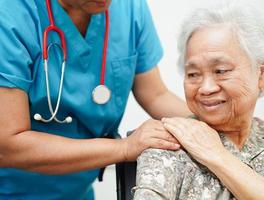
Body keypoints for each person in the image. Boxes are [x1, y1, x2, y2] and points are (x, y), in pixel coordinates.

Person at [0, 0, 192, 199]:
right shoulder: (11, 13)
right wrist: (125, 148)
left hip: (78, 192)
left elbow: (156, 95)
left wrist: (211, 126)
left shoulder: (129, 8)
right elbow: (8, 145)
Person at [133, 3, 264, 200]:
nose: (206, 88)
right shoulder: (167, 146)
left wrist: (218, 156)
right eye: (193, 74)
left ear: (261, 74)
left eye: (221, 71)